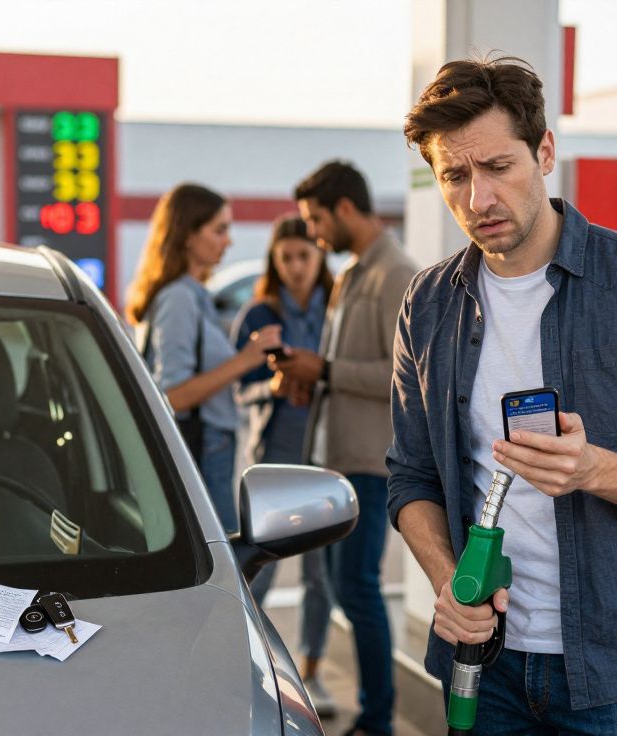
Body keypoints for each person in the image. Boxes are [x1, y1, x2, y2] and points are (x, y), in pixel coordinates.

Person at [387, 57, 617, 734]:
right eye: (454, 175)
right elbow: (411, 477)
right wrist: (448, 582)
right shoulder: (427, 303)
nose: (478, 198)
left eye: (499, 167)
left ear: (544, 153)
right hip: (487, 663)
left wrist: (593, 468)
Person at [272, 161, 417, 736]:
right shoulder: (355, 271)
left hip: (367, 464)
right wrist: (312, 380)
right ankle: (374, 712)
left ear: (347, 209)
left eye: (315, 219)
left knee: (358, 591)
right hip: (336, 461)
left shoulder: (397, 274)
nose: (312, 234)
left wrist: (325, 368)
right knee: (343, 589)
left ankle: (377, 719)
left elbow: (403, 375)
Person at [125, 183, 282, 534]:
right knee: (221, 564)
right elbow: (173, 396)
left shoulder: (194, 295)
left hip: (212, 444)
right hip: (202, 446)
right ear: (187, 235)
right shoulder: (179, 298)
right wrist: (245, 359)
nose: (228, 241)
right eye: (219, 229)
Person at [232, 215, 338, 717]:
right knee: (259, 569)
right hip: (273, 458)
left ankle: (314, 673)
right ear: (274, 262)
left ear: (319, 258)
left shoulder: (337, 306)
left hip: (322, 455)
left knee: (321, 576)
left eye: (305, 256)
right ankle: (244, 665)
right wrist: (269, 387)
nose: (296, 267)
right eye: (286, 258)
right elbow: (237, 386)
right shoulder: (257, 313)